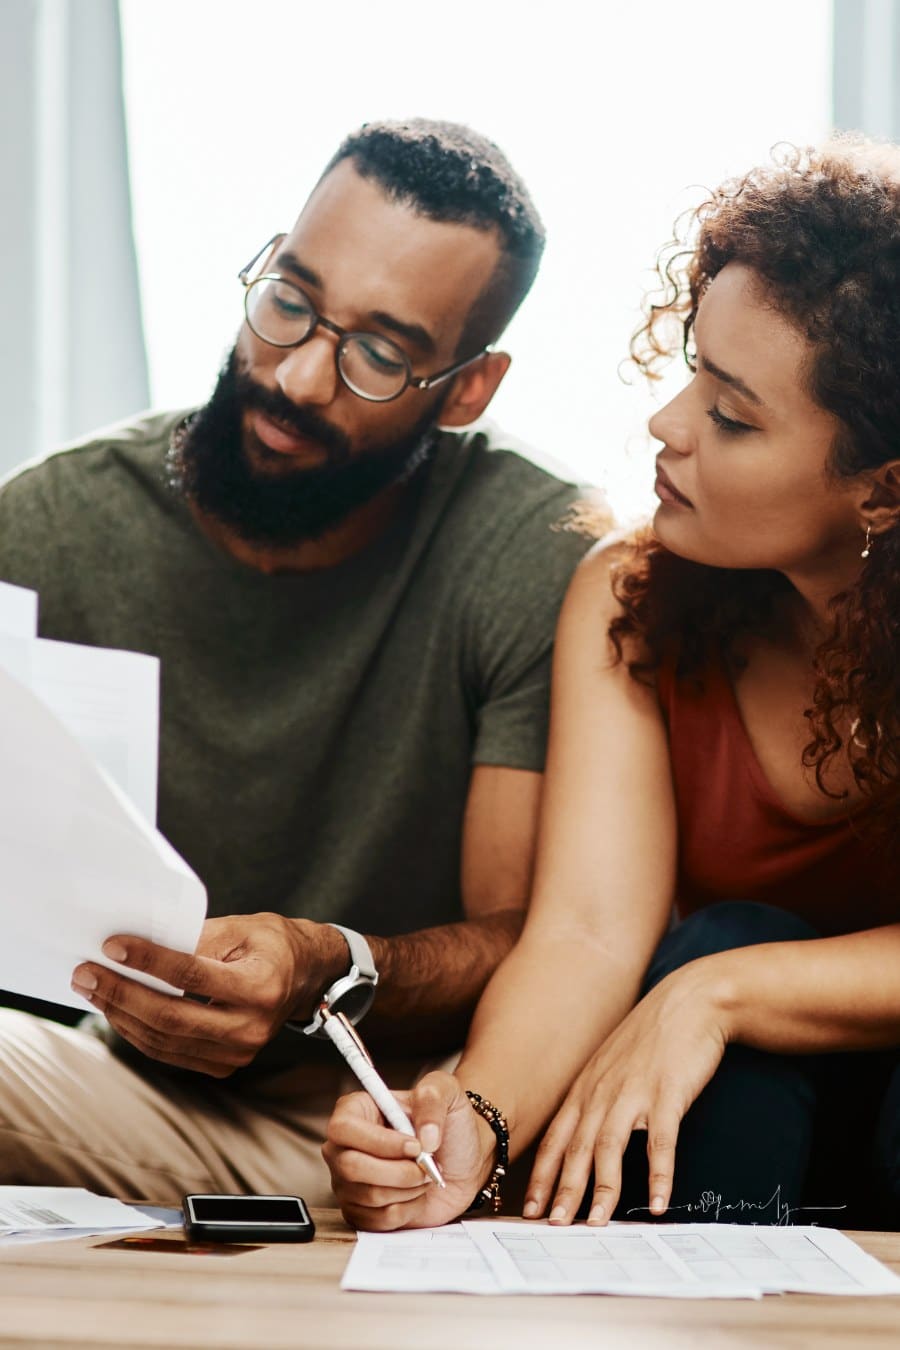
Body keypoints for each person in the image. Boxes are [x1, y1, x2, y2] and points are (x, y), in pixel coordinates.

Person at [0, 119, 589, 1204]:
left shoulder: (534, 557)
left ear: (467, 388)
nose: (302, 377)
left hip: (380, 1116)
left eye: (379, 353)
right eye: (289, 300)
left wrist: (325, 962)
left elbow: (526, 936)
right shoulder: (48, 529)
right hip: (97, 1081)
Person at [324, 135, 900, 1233]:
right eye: (694, 371)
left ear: (882, 493)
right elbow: (587, 932)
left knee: (723, 957)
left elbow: (708, 981)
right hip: (754, 1136)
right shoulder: (629, 595)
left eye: (732, 417)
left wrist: (722, 993)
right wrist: (467, 1125)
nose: (669, 425)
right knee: (718, 942)